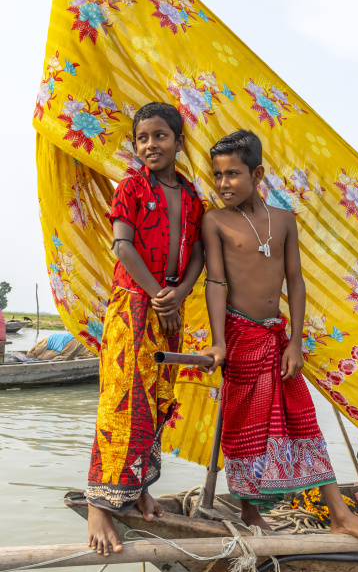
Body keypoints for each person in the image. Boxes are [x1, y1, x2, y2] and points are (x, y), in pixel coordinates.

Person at [199, 130, 358, 548]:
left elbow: (296, 281)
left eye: (233, 173)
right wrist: (218, 342)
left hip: (276, 335)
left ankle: (340, 514)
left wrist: (295, 343)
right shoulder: (215, 220)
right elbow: (215, 282)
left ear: (258, 173)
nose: (223, 183)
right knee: (244, 425)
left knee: (303, 419)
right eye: (217, 175)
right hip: (240, 333)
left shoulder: (283, 220)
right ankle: (250, 509)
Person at [86, 102, 204, 555]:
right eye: (143, 138)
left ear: (178, 141)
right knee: (121, 401)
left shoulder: (193, 196)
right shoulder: (131, 188)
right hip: (134, 306)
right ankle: (100, 503)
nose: (151, 145)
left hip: (168, 308)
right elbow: (122, 247)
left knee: (154, 403)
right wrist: (159, 295)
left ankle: (135, 490)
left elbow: (196, 254)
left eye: (160, 136)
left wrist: (180, 293)